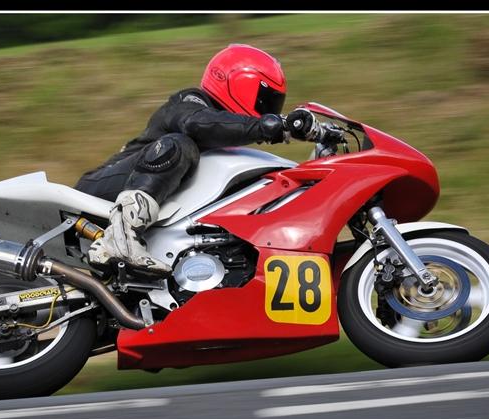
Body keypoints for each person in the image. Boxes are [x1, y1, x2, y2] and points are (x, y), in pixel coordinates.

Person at [75, 44, 317, 273]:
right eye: (266, 101)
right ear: (238, 85)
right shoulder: (188, 104)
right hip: (98, 190)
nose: (269, 112)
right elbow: (200, 124)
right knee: (179, 145)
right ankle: (120, 239)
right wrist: (270, 125)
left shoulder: (225, 142)